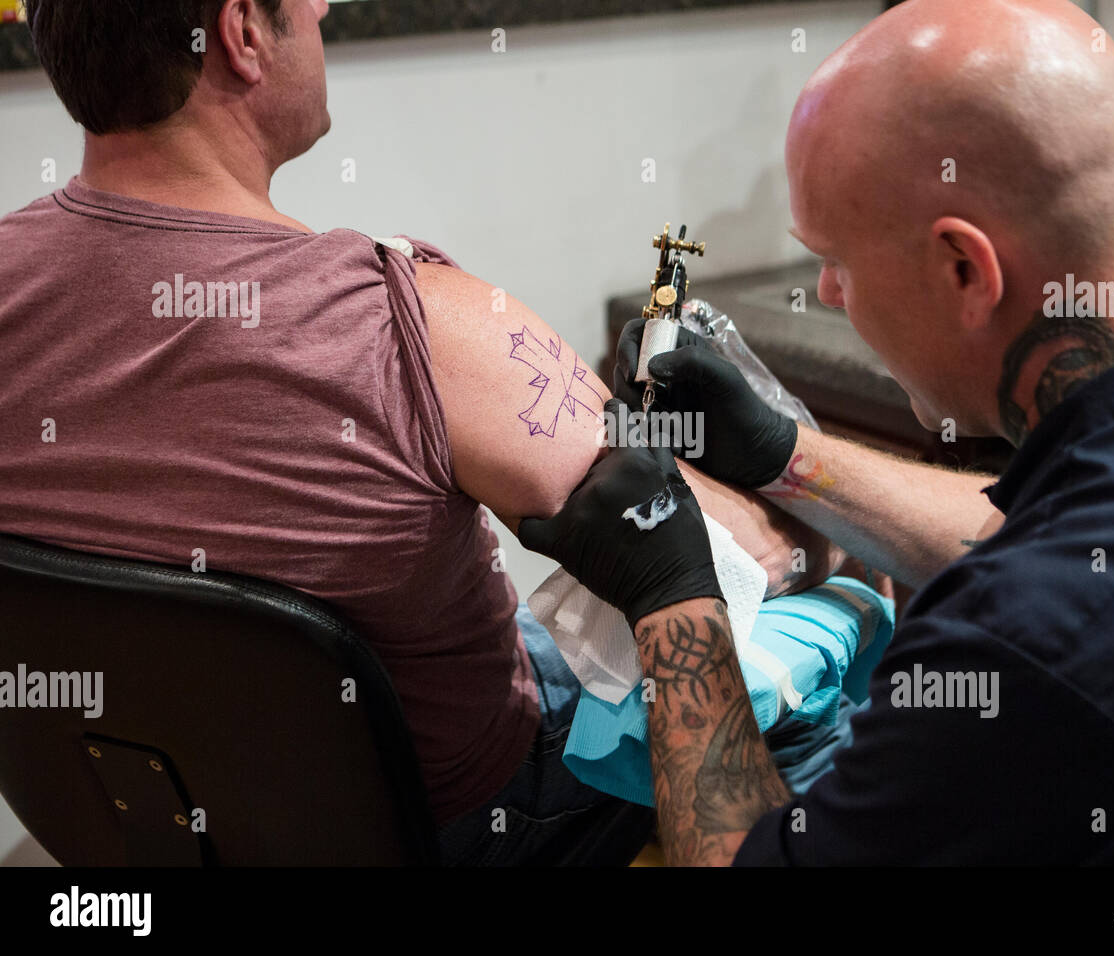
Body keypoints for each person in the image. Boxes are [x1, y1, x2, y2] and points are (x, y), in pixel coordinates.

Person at [0, 0, 844, 865]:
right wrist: (825, 544)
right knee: (821, 642)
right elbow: (727, 558)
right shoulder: (414, 325)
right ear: (241, 33)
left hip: (136, 820)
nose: (325, 7)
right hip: (469, 828)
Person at [519, 0, 1114, 865]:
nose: (825, 295)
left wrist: (677, 606)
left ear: (965, 268)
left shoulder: (1024, 650)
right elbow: (1073, 533)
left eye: (839, 262)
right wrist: (788, 456)